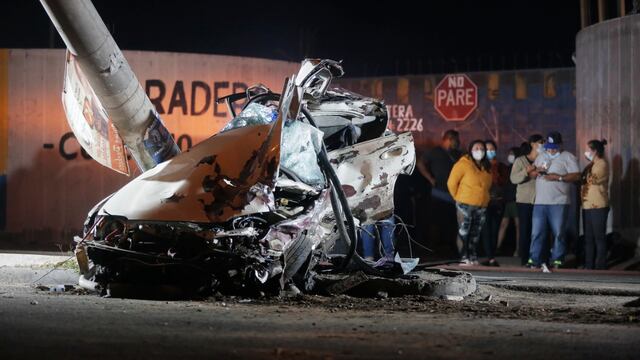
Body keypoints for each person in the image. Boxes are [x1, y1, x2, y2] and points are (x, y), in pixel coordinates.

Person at [528, 131, 580, 270]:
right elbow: (532, 173)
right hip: (540, 202)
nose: (551, 150)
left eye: (554, 147)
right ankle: (534, 259)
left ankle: (557, 259)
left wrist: (559, 177)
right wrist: (535, 172)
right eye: (549, 146)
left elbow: (576, 176)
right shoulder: (541, 156)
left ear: (560, 145)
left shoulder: (568, 157)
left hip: (559, 202)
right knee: (537, 232)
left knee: (558, 232)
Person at [417, 129, 462, 256]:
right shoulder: (435, 152)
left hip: (454, 194)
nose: (458, 143)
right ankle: (433, 249)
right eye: (456, 140)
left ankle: (451, 248)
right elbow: (420, 163)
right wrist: (430, 178)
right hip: (438, 193)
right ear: (449, 139)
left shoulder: (457, 154)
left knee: (452, 223)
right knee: (436, 222)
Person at [447, 140, 492, 265]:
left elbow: (487, 185)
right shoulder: (462, 164)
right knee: (463, 231)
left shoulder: (486, 166)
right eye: (476, 148)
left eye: (482, 148)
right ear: (471, 149)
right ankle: (463, 256)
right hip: (464, 203)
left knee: (475, 233)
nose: (480, 151)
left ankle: (472, 256)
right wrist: (457, 197)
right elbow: (451, 183)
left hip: (481, 205)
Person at [510, 134, 544, 266]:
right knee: (525, 230)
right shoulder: (520, 160)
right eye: (539, 143)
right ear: (532, 144)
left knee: (538, 230)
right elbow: (513, 179)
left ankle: (537, 257)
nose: (542, 145)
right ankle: (525, 258)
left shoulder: (543, 160)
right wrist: (526, 172)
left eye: (543, 143)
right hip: (524, 200)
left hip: (541, 200)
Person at [581, 139, 610, 270]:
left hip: (598, 205)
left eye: (588, 149)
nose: (586, 152)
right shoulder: (591, 164)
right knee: (588, 238)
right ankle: (588, 265)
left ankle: (600, 266)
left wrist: (583, 177)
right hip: (587, 205)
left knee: (599, 238)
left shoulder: (602, 164)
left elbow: (594, 179)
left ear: (595, 151)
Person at [480, 140, 509, 266]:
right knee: (486, 229)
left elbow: (504, 183)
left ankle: (492, 255)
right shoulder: (479, 166)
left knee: (495, 229)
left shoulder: (501, 166)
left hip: (497, 202)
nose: (490, 152)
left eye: (492, 149)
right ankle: (488, 256)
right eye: (487, 150)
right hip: (484, 202)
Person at [497, 146, 521, 257]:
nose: (510, 156)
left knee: (518, 225)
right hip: (508, 201)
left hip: (516, 201)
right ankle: (497, 248)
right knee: (503, 224)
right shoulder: (507, 169)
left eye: (512, 154)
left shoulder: (519, 168)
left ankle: (518, 249)